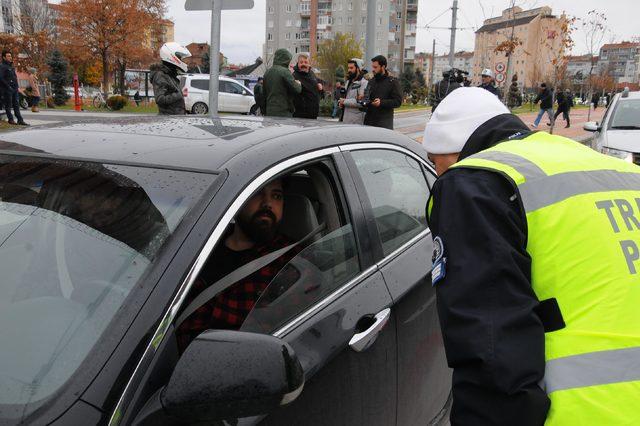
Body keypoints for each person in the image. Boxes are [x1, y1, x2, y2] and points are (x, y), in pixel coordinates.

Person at [423, 86, 640, 425]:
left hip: (585, 411)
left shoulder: (474, 182)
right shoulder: (615, 172)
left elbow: (491, 352)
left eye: (437, 165)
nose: (439, 177)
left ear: (455, 153)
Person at [176, 178, 300, 351]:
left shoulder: (292, 259)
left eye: (276, 196)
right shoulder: (201, 244)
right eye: (257, 193)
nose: (268, 204)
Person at [150, 42, 191, 115]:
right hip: (168, 120)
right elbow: (160, 99)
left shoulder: (170, 74)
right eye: (180, 58)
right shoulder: (160, 75)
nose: (181, 60)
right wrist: (178, 95)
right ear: (172, 56)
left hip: (174, 119)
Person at [363, 55, 402, 130]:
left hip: (384, 126)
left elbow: (398, 102)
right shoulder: (371, 81)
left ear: (383, 67)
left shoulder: (392, 82)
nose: (373, 69)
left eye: (375, 67)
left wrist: (381, 103)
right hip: (369, 124)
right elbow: (367, 99)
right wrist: (363, 99)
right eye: (372, 67)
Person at [263, 48, 302, 118]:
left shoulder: (267, 72)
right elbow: (297, 89)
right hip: (283, 112)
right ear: (286, 59)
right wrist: (298, 84)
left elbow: (264, 93)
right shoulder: (285, 72)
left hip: (269, 111)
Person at [292, 53, 323, 120]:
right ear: (298, 63)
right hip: (301, 115)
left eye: (306, 62)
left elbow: (318, 85)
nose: (303, 64)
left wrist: (320, 87)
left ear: (309, 64)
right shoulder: (294, 76)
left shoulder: (311, 73)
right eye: (301, 62)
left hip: (313, 113)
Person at [0, 51, 27, 125]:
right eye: (8, 56)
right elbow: (1, 78)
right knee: (8, 105)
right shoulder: (2, 66)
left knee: (16, 104)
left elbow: (15, 77)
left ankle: (20, 120)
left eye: (10, 56)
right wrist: (8, 86)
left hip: (15, 89)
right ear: (4, 57)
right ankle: (10, 119)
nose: (10, 57)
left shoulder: (11, 66)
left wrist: (17, 87)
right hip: (7, 89)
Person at [339, 58, 368, 125]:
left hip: (356, 123)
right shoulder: (348, 82)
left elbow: (362, 102)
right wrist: (340, 103)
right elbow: (346, 98)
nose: (349, 70)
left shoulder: (364, 83)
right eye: (348, 68)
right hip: (345, 120)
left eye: (351, 68)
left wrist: (344, 101)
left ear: (358, 69)